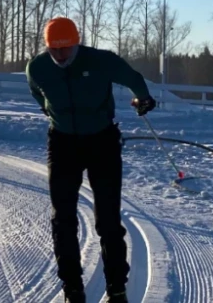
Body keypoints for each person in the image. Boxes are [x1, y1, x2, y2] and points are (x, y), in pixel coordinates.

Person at [25, 17, 156, 303]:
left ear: (77, 42)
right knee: (63, 219)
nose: (60, 56)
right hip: (62, 143)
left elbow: (133, 78)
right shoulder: (38, 67)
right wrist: (49, 110)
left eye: (66, 49)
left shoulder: (99, 60)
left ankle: (117, 289)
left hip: (101, 141)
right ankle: (72, 288)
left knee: (108, 219)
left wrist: (143, 99)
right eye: (54, 50)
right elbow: (36, 91)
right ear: (47, 47)